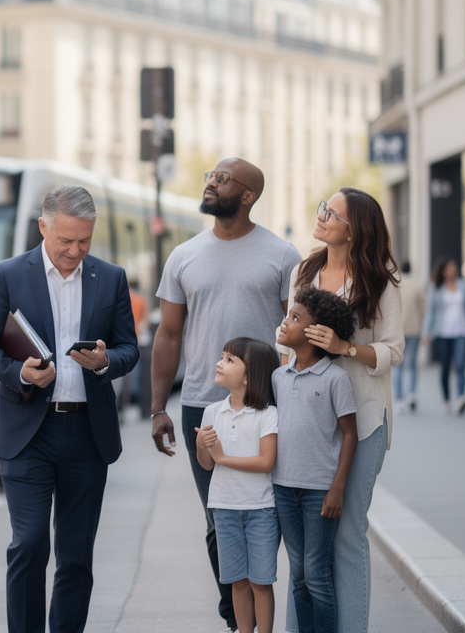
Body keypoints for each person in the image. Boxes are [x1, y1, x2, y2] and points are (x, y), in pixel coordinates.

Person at [0, 185, 139, 633]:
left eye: (84, 241)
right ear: (43, 226)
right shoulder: (8, 274)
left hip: (87, 434)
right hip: (28, 432)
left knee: (76, 554)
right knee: (28, 545)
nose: (74, 250)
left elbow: (129, 349)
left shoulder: (110, 277)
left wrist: (105, 361)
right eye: (65, 240)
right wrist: (21, 374)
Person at [150, 158, 301, 633]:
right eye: (210, 177)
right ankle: (236, 621)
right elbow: (169, 336)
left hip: (268, 404)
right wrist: (158, 408)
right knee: (220, 518)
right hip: (203, 403)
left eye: (222, 179)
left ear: (249, 194)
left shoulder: (282, 255)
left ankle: (265, 615)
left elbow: (295, 332)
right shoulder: (184, 256)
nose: (211, 183)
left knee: (266, 513)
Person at [277, 187, 402, 633]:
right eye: (322, 208)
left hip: (362, 419)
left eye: (332, 212)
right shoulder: (303, 271)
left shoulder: (380, 279)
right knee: (304, 545)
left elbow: (395, 350)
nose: (322, 215)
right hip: (307, 423)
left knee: (347, 534)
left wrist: (346, 347)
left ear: (355, 231)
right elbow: (290, 337)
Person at [272, 287, 358, 633]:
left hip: (319, 493)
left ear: (315, 332)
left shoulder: (336, 379)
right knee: (297, 574)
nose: (285, 321)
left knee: (316, 574)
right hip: (283, 489)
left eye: (295, 318)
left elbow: (350, 435)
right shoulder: (279, 377)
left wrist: (337, 488)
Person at [195, 337, 281, 633]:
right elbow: (206, 463)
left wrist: (221, 456)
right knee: (237, 581)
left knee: (260, 581)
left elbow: (266, 462)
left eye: (230, 360)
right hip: (224, 508)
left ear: (248, 376)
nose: (220, 363)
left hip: (261, 510)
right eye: (221, 356)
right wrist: (201, 447)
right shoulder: (211, 412)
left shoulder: (268, 414)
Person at [422, 256, 465, 416]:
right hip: (442, 333)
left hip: (462, 331)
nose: (454, 269)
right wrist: (426, 332)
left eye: (455, 267)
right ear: (443, 271)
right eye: (450, 267)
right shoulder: (435, 287)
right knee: (445, 367)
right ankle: (446, 400)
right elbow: (430, 312)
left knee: (460, 364)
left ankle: (461, 398)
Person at [395, 261, 425, 413]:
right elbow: (423, 309)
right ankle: (411, 395)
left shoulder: (395, 285)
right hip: (414, 330)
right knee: (412, 365)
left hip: (398, 330)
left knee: (398, 366)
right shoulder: (417, 285)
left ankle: (399, 400)